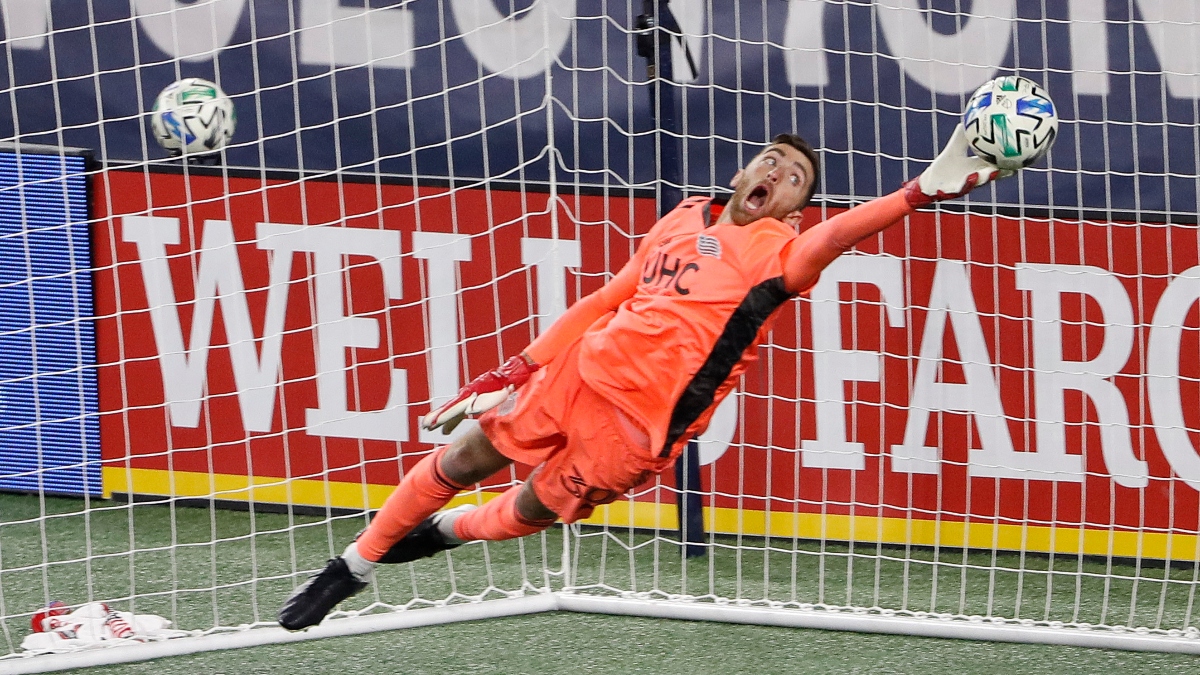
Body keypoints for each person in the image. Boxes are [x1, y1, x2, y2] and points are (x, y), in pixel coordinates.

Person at [278, 125, 1006, 630]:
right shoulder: (683, 217)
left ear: (796, 209)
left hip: (635, 429)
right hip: (580, 370)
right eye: (770, 161)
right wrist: (518, 365)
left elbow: (837, 235)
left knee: (527, 509)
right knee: (466, 453)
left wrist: (915, 194)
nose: (777, 174)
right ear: (742, 172)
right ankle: (352, 566)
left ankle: (448, 531)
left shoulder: (779, 252)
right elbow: (605, 299)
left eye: (795, 178)